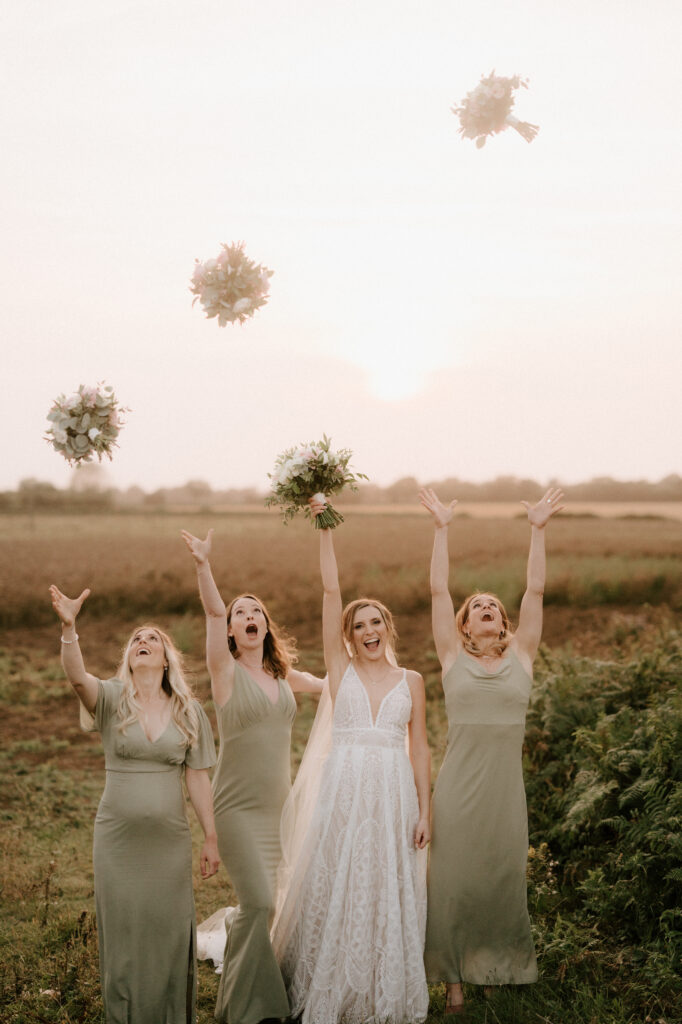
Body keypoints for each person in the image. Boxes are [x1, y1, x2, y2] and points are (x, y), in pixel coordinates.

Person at [271, 500, 431, 1024]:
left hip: (393, 793)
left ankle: (380, 984)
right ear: (349, 634)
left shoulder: (413, 683)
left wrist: (425, 810)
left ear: (388, 626)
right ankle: (325, 979)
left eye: (376, 621)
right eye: (359, 624)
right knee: (338, 877)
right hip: (344, 788)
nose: (368, 630)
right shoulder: (340, 672)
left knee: (387, 881)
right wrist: (324, 528)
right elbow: (330, 591)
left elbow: (422, 747)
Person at [419, 486, 565, 1015]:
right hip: (458, 786)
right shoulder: (451, 656)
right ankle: (454, 980)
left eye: (492, 607)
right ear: (464, 624)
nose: (484, 608)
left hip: (505, 789)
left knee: (500, 879)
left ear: (504, 624)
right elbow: (438, 591)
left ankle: (494, 970)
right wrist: (441, 529)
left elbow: (537, 591)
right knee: (453, 879)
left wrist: (538, 529)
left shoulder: (522, 655)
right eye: (475, 606)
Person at [48, 585, 219, 1024]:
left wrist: (211, 838)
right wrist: (70, 629)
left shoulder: (189, 710)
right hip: (118, 840)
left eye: (153, 639)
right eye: (136, 641)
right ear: (129, 658)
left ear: (166, 659)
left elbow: (198, 778)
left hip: (168, 840)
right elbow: (75, 677)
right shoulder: (109, 699)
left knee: (166, 931)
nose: (143, 643)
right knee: (123, 934)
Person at [180, 529, 323, 1024]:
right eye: (240, 613)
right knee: (258, 903)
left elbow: (334, 685)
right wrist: (204, 565)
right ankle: (259, 1011)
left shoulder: (285, 677)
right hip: (236, 809)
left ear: (266, 625)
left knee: (269, 910)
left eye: (255, 611)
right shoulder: (225, 673)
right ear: (231, 631)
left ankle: (240, 1002)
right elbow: (213, 612)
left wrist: (388, 673)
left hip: (279, 809)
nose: (247, 617)